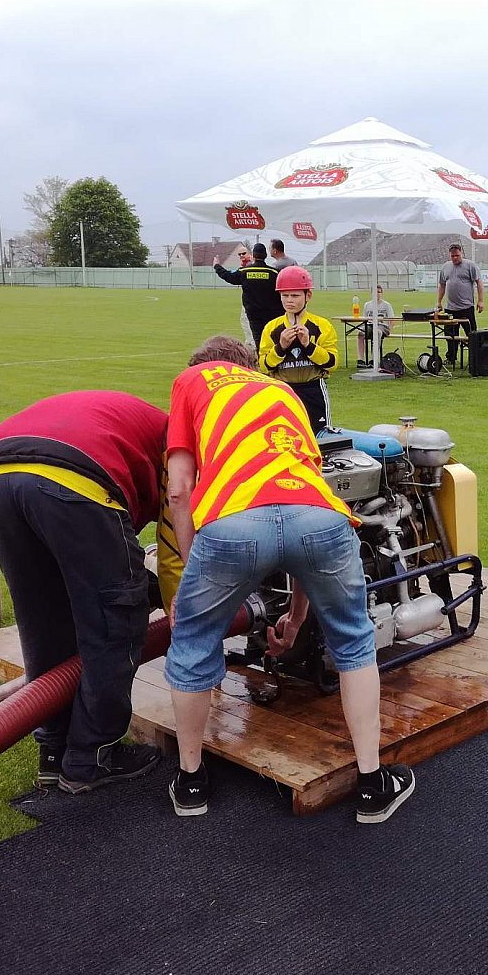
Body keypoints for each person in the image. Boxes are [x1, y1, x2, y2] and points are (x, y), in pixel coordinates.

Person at [163, 335, 415, 822]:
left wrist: (193, 576)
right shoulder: (282, 390)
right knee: (354, 642)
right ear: (249, 364)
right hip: (319, 517)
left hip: (233, 521)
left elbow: (178, 489)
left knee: (192, 645)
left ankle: (191, 783)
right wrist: (296, 619)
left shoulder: (192, 381)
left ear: (202, 365)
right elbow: (301, 510)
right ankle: (372, 784)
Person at [0, 391, 184, 794]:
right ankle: (92, 757)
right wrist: (182, 614)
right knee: (115, 621)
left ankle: (53, 750)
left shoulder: (143, 421)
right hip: (77, 476)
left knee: (43, 618)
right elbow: (174, 549)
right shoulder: (181, 447)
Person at [258, 266, 338, 433]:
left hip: (313, 389)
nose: (289, 301)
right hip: (283, 389)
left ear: (308, 295)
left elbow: (332, 364)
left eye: (295, 295)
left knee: (319, 435)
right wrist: (281, 347)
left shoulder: (322, 326)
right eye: (284, 295)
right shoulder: (271, 328)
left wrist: (308, 345)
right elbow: (263, 366)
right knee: (284, 435)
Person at [214, 242, 283, 351]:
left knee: (258, 340)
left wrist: (217, 266)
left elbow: (228, 276)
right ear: (265, 256)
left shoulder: (244, 271)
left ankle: (261, 359)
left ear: (253, 255)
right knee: (273, 338)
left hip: (253, 313)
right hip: (272, 313)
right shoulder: (274, 273)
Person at [435, 243, 484, 370]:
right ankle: (451, 357)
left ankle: (476, 357)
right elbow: (442, 285)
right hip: (450, 308)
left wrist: (480, 301)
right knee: (450, 335)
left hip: (466, 308)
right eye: (452, 256)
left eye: (457, 255)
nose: (455, 258)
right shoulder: (446, 267)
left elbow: (479, 282)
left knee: (472, 334)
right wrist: (439, 301)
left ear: (461, 253)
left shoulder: (470, 266)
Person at [358, 284, 395, 364]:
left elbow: (392, 319)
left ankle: (373, 359)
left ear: (382, 293)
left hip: (382, 326)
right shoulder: (367, 305)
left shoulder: (386, 305)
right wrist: (362, 327)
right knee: (361, 333)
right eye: (375, 292)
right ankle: (360, 359)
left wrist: (390, 330)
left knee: (377, 332)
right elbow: (364, 319)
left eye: (379, 292)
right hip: (369, 325)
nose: (377, 294)